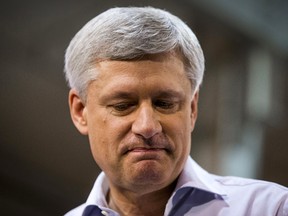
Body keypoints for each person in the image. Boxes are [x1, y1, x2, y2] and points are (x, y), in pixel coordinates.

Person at [64, 6, 288, 216]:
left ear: (192, 108)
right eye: (123, 106)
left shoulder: (271, 208)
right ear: (80, 110)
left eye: (165, 103)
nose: (147, 126)